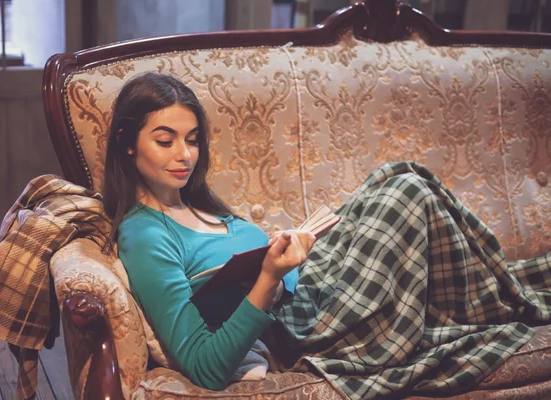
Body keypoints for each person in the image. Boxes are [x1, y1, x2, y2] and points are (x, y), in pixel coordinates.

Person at [103, 72, 551, 399]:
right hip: (304, 326)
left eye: (193, 139)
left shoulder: (193, 200)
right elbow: (204, 365)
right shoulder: (144, 235)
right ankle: (513, 297)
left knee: (398, 175)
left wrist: (287, 254)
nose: (185, 155)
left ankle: (507, 289)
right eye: (166, 140)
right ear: (128, 142)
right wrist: (268, 279)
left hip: (313, 282)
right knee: (406, 189)